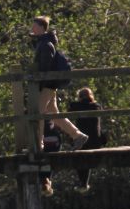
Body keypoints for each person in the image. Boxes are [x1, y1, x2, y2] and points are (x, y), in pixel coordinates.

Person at [29, 16, 90, 195]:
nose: (32, 27)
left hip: (47, 85)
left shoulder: (46, 45)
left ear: (41, 27)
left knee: (39, 113)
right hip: (50, 85)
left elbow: (44, 67)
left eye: (34, 25)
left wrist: (37, 80)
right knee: (54, 114)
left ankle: (39, 144)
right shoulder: (44, 42)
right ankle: (78, 135)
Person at [68, 87, 105, 189]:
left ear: (79, 97)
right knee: (85, 158)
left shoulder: (76, 106)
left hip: (83, 142)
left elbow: (69, 111)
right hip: (96, 142)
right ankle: (84, 184)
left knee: (78, 157)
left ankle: (83, 183)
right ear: (91, 96)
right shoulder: (97, 106)